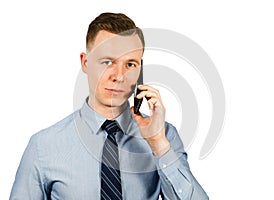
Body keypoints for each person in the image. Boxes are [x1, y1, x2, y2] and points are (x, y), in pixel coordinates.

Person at [10, 12, 209, 200]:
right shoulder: (43, 146)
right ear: (85, 63)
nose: (119, 76)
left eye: (130, 64)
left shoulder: (164, 135)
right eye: (107, 62)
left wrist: (158, 145)